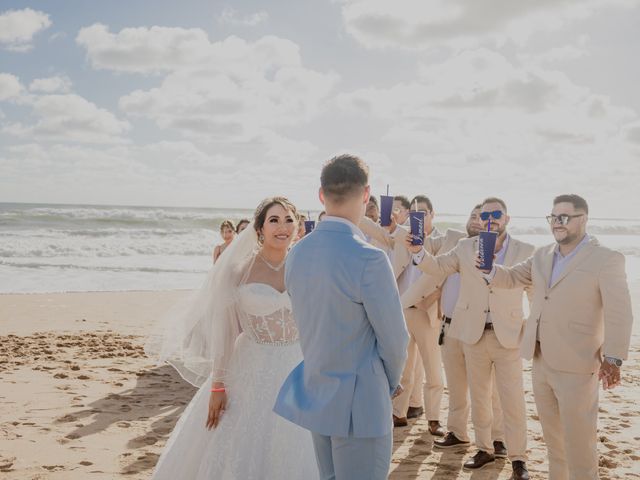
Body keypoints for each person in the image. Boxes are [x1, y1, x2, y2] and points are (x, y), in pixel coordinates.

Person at [146, 197, 318, 480]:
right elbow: (224, 333)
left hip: (298, 367)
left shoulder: (307, 268)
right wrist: (217, 385)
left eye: (289, 220)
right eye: (274, 220)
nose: (282, 227)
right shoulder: (239, 271)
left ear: (298, 226)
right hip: (250, 366)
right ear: (259, 228)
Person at [274, 154, 409, 480]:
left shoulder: (297, 253)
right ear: (366, 194)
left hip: (316, 389)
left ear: (321, 195)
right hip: (362, 400)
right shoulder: (369, 258)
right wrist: (387, 384)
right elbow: (395, 339)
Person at [482, 194, 633, 480]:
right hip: (541, 361)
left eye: (564, 217)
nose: (557, 223)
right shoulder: (542, 254)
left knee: (580, 445)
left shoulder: (606, 259)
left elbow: (620, 312)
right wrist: (488, 269)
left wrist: (613, 358)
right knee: (554, 443)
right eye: (553, 217)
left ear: (583, 219)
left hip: (578, 364)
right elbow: (512, 277)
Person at [406, 197, 533, 480]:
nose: (490, 219)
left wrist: (535, 332)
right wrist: (418, 253)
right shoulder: (465, 248)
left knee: (512, 399)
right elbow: (437, 267)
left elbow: (534, 294)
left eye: (496, 214)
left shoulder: (526, 250)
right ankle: (484, 448)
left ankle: (518, 459)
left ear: (507, 218)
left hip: (509, 336)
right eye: (485, 215)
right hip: (473, 334)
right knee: (479, 398)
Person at [403, 205, 506, 456]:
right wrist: (416, 249)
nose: (477, 221)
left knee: (489, 390)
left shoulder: (496, 252)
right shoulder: (457, 245)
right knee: (456, 384)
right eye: (473, 215)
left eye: (483, 217)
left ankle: (498, 439)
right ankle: (458, 432)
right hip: (450, 326)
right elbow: (435, 265)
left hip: (480, 329)